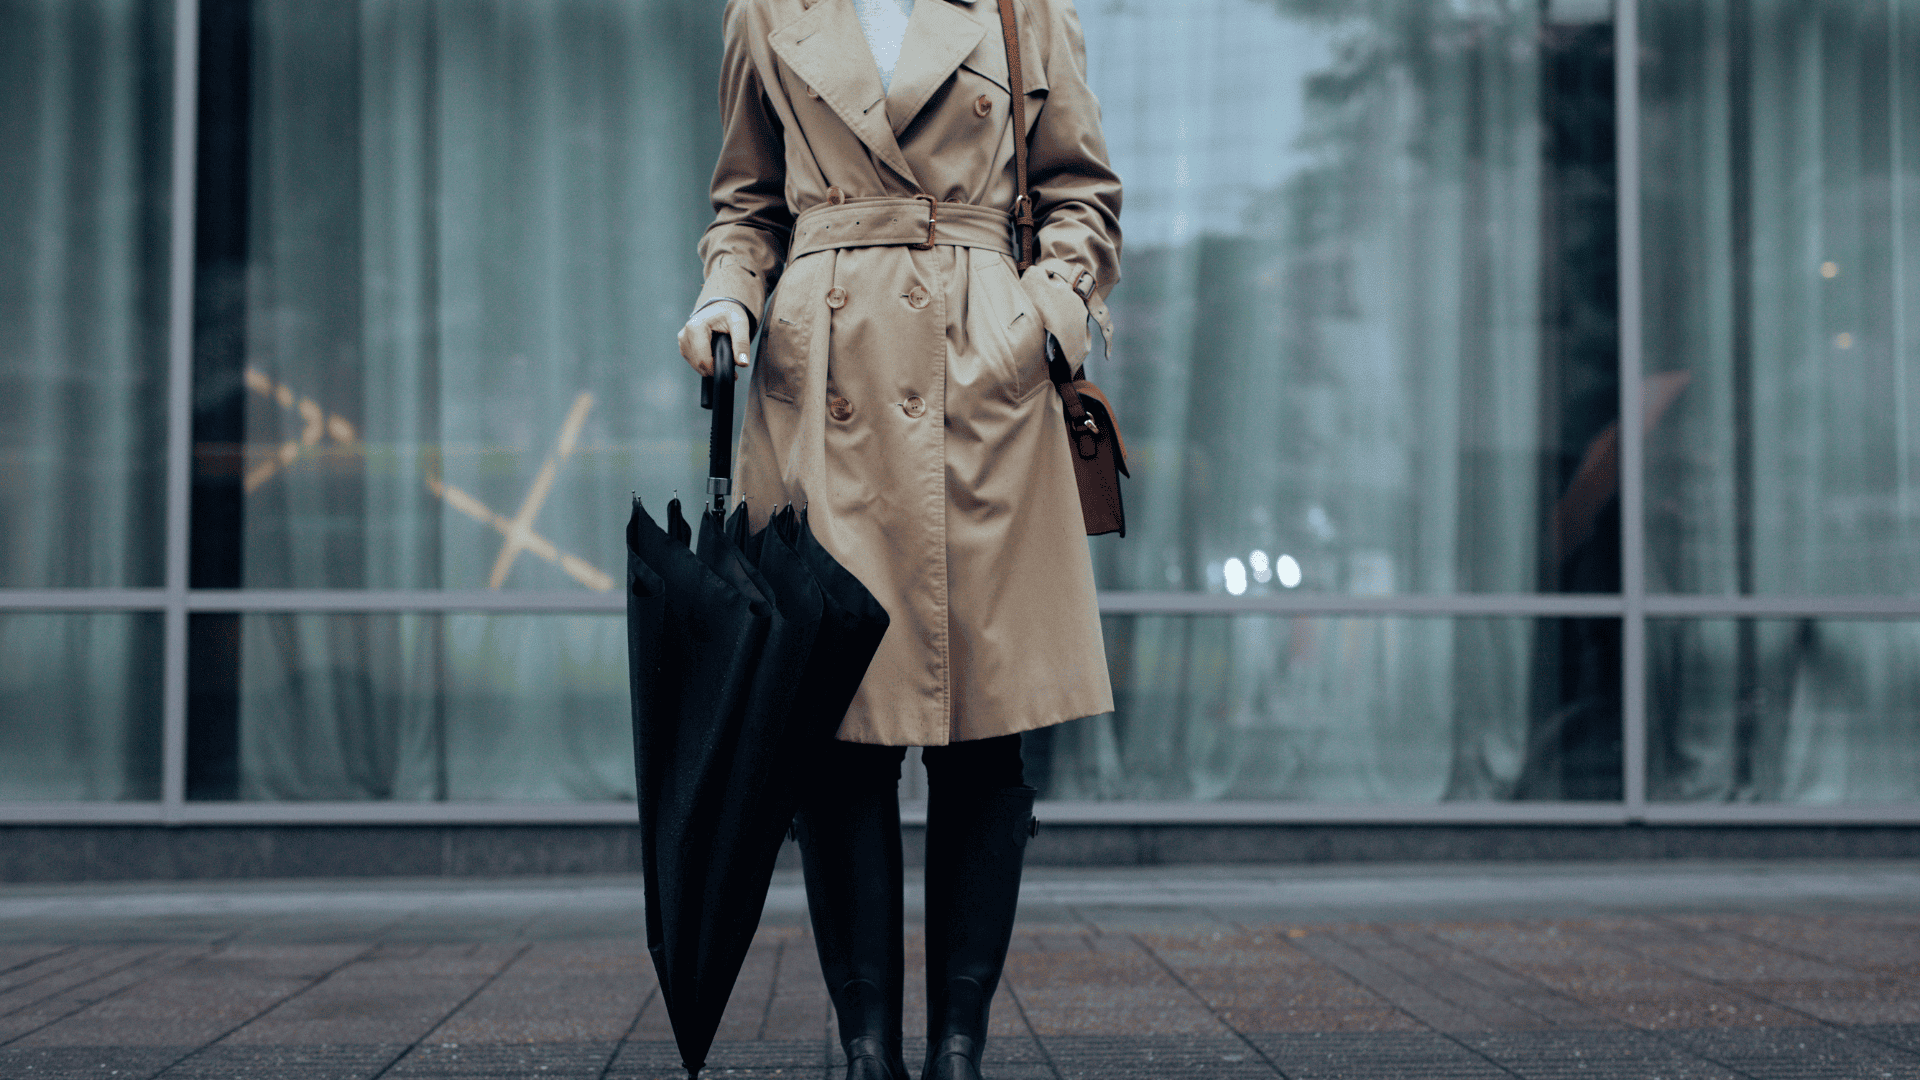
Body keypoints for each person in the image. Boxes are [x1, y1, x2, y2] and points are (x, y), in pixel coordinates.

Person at [675, 0, 1120, 1076]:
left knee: (986, 737)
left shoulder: (1021, 9)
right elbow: (746, 207)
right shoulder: (767, 11)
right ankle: (869, 1051)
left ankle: (957, 1050)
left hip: (985, 379)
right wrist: (725, 296)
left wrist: (1041, 320)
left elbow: (1082, 198)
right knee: (837, 744)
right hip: (824, 378)